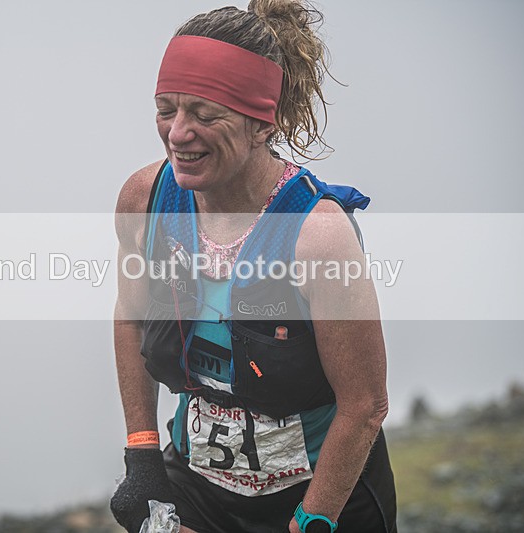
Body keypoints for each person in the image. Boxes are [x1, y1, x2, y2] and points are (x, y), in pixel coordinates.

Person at [110, 1, 397, 532]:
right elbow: (130, 318)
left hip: (323, 493)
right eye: (166, 108)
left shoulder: (318, 236)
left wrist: (313, 520)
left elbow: (365, 404)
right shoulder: (145, 201)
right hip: (197, 487)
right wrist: (143, 458)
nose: (177, 132)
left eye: (204, 113)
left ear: (261, 122)